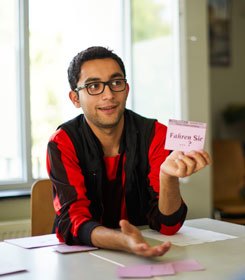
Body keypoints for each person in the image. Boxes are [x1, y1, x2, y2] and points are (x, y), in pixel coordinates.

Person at [46, 46, 211, 257]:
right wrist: (123, 241)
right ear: (75, 98)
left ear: (126, 89)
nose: (108, 95)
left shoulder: (156, 135)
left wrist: (168, 177)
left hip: (147, 249)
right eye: (94, 86)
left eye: (116, 83)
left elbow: (168, 226)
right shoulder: (62, 142)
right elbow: (73, 222)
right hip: (82, 255)